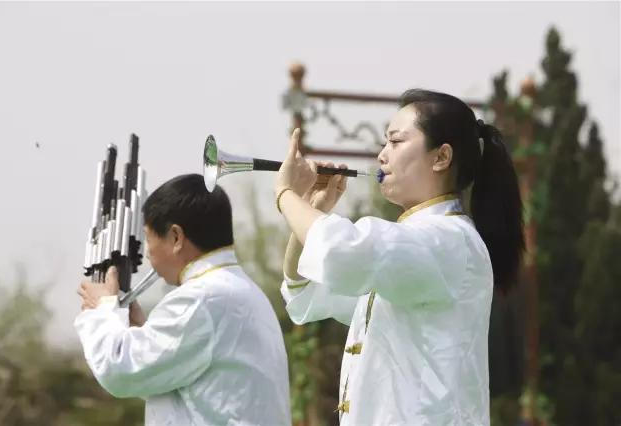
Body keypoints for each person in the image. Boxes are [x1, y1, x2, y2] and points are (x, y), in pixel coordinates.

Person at [275, 89, 525, 425]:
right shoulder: (415, 245)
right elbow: (303, 293)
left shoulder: (448, 240)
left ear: (441, 157)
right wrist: (311, 208)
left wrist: (285, 194)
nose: (381, 155)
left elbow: (339, 250)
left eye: (395, 141)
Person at [75, 173, 291, 426]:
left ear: (176, 237)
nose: (147, 253)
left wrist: (103, 309)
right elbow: (180, 382)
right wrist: (144, 331)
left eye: (147, 238)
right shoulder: (239, 289)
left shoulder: (200, 298)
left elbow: (119, 370)